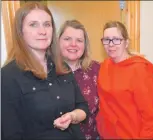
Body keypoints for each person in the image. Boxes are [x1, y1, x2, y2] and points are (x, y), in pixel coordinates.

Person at [1, 2, 89, 140]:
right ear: (20, 31)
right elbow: (10, 133)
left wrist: (72, 116)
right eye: (33, 24)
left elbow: (82, 106)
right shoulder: (8, 76)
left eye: (47, 24)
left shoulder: (63, 67)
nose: (42, 31)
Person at [96, 21, 153, 139]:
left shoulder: (139, 71)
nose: (111, 44)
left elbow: (150, 118)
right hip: (107, 135)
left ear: (126, 42)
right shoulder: (104, 66)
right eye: (106, 40)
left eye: (116, 39)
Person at [58, 19, 100, 140]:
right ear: (58, 42)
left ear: (85, 45)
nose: (73, 44)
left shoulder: (96, 69)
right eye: (67, 39)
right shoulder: (46, 72)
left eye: (79, 40)